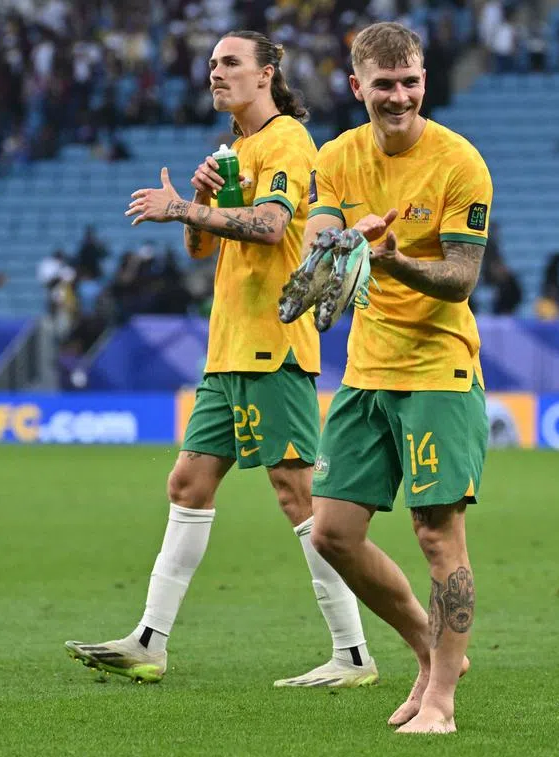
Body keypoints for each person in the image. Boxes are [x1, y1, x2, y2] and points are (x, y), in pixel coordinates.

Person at [64, 30, 375, 689]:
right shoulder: (236, 150)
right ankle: (150, 640)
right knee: (188, 484)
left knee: (297, 494)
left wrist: (178, 205)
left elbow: (269, 227)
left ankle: (353, 654)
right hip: (228, 349)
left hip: (273, 346)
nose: (215, 72)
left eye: (229, 62)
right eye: (210, 64)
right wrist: (199, 206)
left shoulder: (287, 139)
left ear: (267, 74)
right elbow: (205, 252)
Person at [283, 22, 492, 734]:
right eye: (384, 84)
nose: (398, 96)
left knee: (438, 536)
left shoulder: (461, 163)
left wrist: (395, 260)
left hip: (439, 367)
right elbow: (322, 234)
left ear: (424, 81)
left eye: (410, 83)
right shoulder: (338, 156)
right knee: (333, 532)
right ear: (357, 87)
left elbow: (462, 277)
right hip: (367, 371)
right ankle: (432, 655)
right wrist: (333, 252)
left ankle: (441, 700)